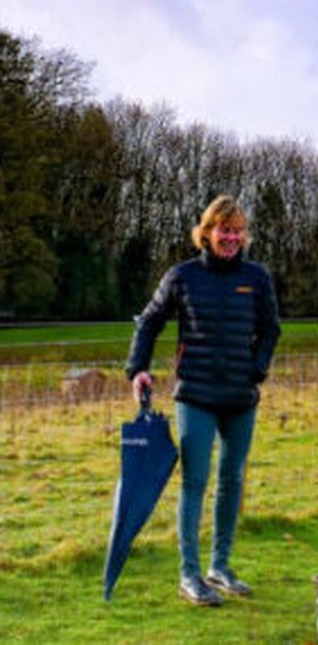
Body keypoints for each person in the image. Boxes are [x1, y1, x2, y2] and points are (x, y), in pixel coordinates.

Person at [126, 195, 281, 606]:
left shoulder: (257, 277)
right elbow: (149, 322)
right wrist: (137, 368)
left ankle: (220, 566)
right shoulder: (181, 277)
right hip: (195, 394)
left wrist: (258, 369)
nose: (230, 237)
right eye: (223, 230)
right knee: (195, 482)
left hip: (241, 397)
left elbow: (271, 329)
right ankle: (190, 575)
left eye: (237, 230)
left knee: (232, 480)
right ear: (207, 233)